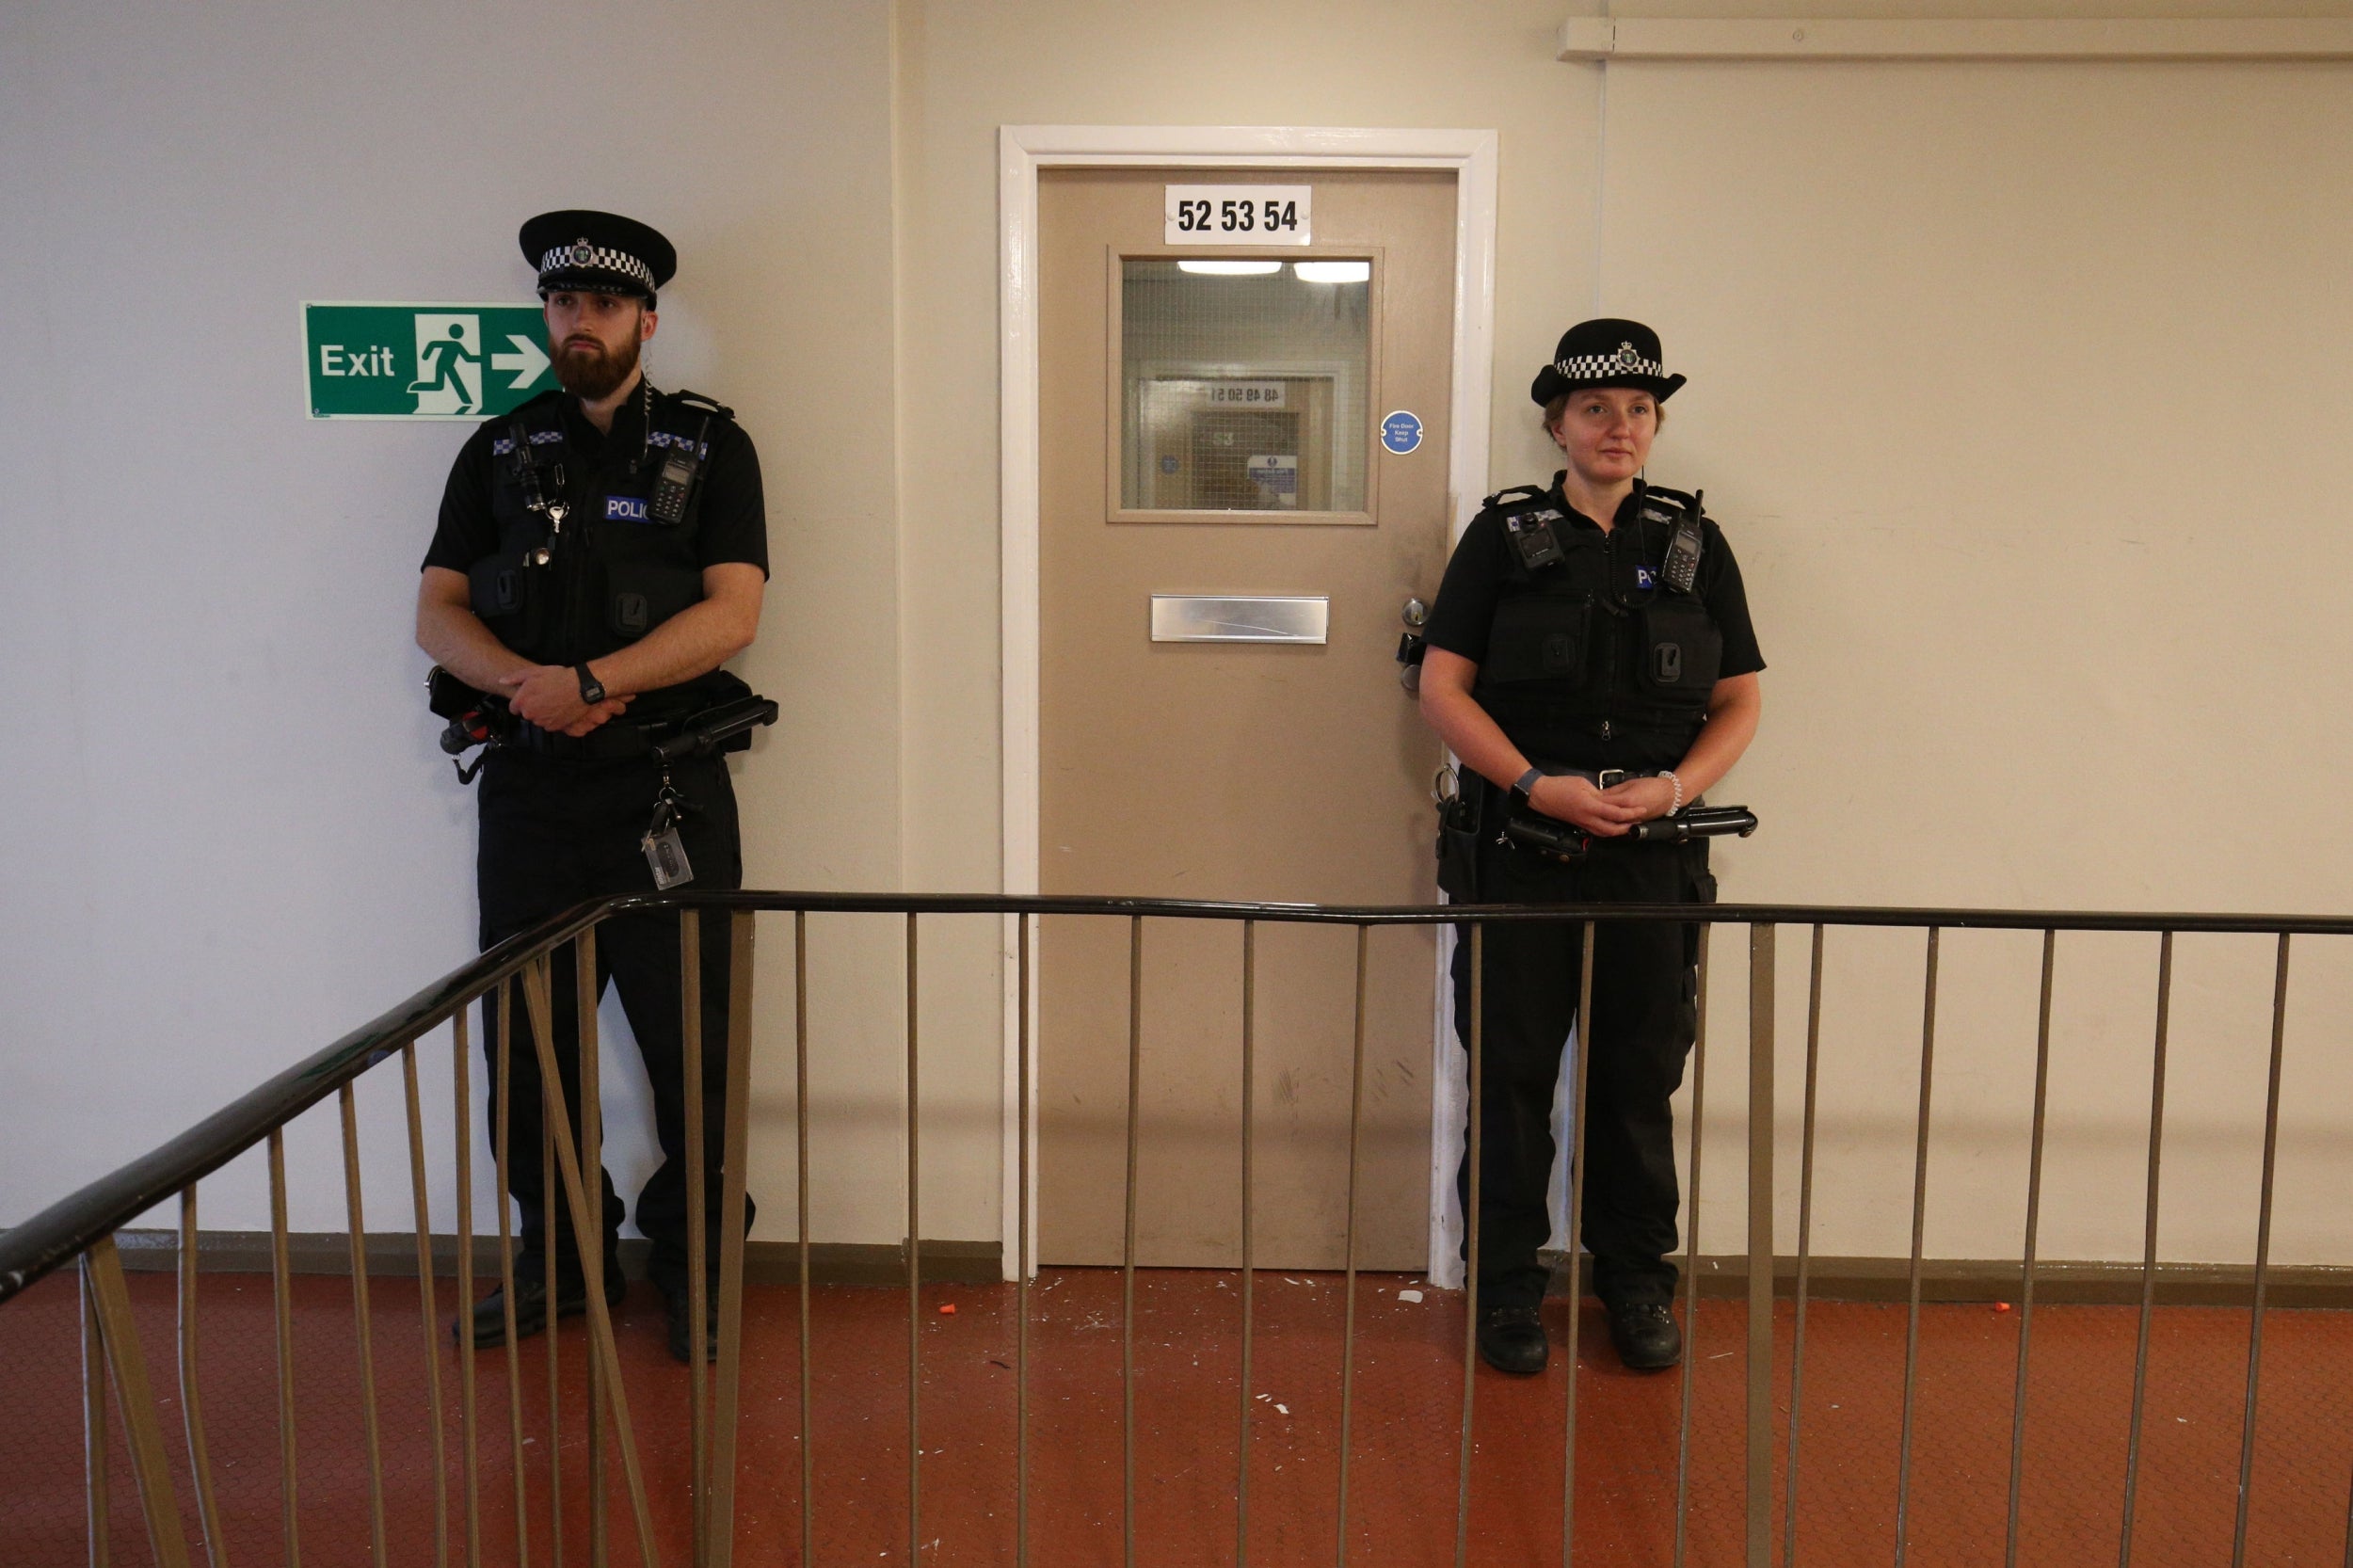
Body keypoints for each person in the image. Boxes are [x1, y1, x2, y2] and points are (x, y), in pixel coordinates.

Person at [415, 210, 768, 1363]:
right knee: (526, 1048)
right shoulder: (498, 450)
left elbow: (732, 610)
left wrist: (595, 678)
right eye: (564, 305)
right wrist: (531, 689)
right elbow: (437, 610)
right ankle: (559, 1263)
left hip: (664, 795)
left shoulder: (714, 450)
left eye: (605, 306)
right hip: (530, 796)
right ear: (548, 319)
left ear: (646, 322)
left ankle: (696, 1267)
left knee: (692, 1047)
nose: (582, 323)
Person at [1417, 319, 1763, 1375]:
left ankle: (1634, 1284)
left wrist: (1673, 786)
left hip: (1654, 863)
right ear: (1557, 423)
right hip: (1522, 855)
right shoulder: (1502, 537)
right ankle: (1510, 1292)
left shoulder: (1692, 544)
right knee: (1511, 1079)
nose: (1619, 427)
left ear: (1656, 425)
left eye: (1639, 410)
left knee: (1635, 1080)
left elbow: (1741, 697)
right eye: (1596, 409)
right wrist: (1534, 783)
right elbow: (1439, 686)